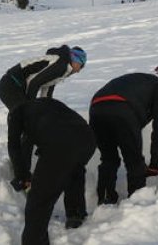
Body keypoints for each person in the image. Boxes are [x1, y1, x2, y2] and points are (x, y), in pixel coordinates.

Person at [7, 97, 96, 244]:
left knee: (38, 200)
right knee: (74, 170)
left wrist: (22, 175)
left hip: (60, 144)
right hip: (87, 138)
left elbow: (14, 146)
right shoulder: (46, 103)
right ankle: (76, 215)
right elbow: (58, 127)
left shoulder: (16, 114)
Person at [88, 65, 158, 205]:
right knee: (134, 161)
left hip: (96, 107)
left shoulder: (134, 81)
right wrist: (155, 162)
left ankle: (105, 200)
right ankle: (135, 204)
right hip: (122, 108)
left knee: (109, 159)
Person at [0, 45, 86, 110]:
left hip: (12, 84)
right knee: (24, 115)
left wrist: (46, 108)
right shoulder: (61, 65)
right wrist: (31, 105)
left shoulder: (62, 66)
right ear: (75, 60)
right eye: (80, 65)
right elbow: (34, 82)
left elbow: (46, 89)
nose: (79, 70)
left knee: (25, 116)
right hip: (11, 84)